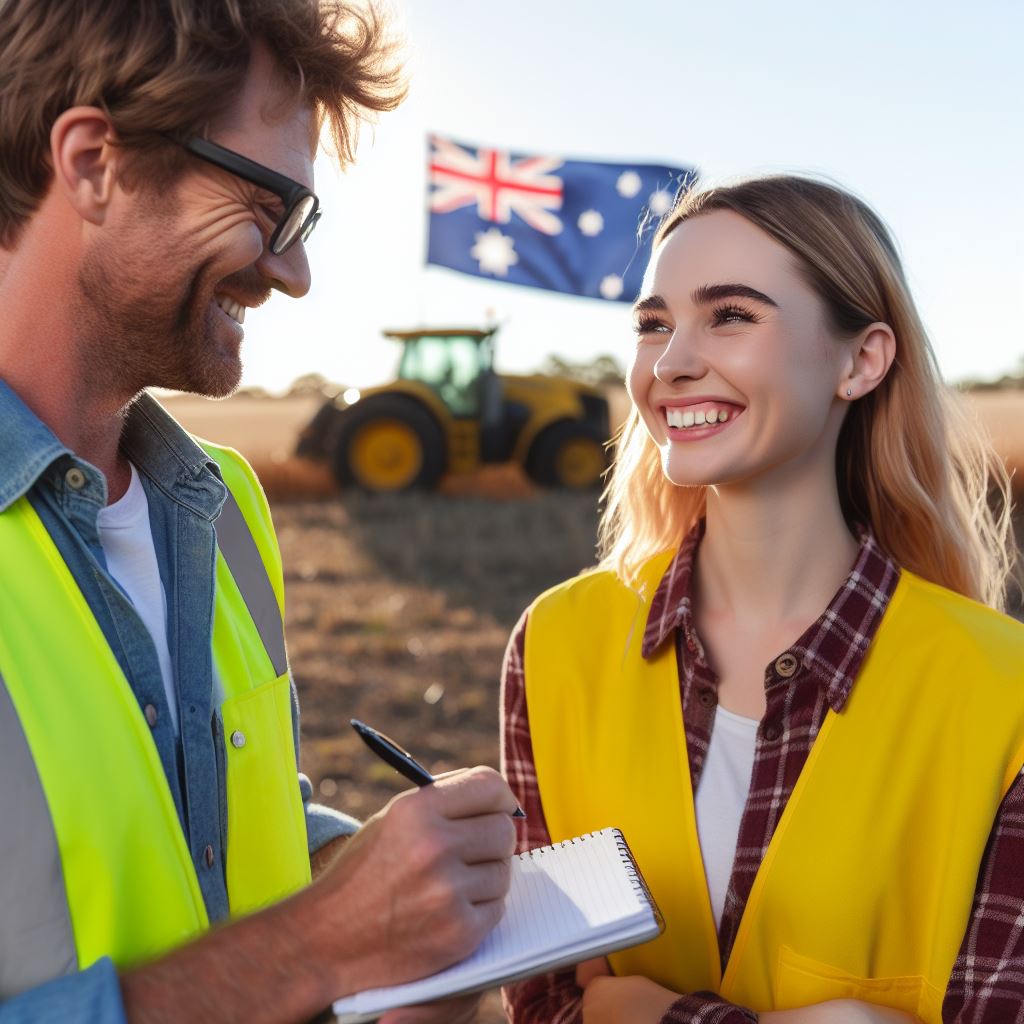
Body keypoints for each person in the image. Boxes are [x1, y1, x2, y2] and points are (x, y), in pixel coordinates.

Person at [0, 1, 519, 1021]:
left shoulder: (221, 504)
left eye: (304, 225)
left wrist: (376, 886)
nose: (293, 270)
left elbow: (225, 823)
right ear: (95, 161)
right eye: (272, 208)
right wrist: (317, 948)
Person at [501, 175, 1024, 1024]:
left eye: (731, 316)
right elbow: (550, 1000)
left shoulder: (1006, 694)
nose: (671, 363)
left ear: (862, 360)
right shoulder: (557, 642)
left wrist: (641, 1013)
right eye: (653, 325)